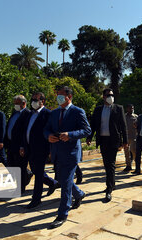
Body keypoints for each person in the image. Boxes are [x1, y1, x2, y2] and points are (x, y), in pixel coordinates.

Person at [44, 86, 91, 229]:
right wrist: (48, 136)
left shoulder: (78, 111)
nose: (58, 98)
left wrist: (70, 135)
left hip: (71, 153)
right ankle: (79, 194)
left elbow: (86, 130)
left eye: (61, 96)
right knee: (63, 180)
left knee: (65, 183)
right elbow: (47, 128)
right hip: (57, 152)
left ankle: (62, 214)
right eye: (57, 95)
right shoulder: (54, 113)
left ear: (69, 97)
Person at [86, 88, 128, 202]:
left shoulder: (118, 108)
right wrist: (89, 137)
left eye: (112, 95)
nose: (111, 97)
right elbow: (93, 125)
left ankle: (109, 189)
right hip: (103, 140)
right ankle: (112, 184)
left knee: (111, 164)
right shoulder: (98, 109)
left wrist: (125, 141)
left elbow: (123, 126)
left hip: (114, 140)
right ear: (103, 97)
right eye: (108, 95)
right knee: (106, 164)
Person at [20, 92, 59, 209]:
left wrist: (51, 150)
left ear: (43, 101)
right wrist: (22, 146)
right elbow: (26, 130)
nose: (33, 101)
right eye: (32, 99)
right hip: (29, 148)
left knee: (38, 174)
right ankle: (53, 183)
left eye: (36, 99)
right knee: (36, 171)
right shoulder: (30, 114)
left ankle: (36, 199)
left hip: (41, 149)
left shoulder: (48, 114)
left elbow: (51, 132)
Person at [5, 95, 33, 193]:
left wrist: (23, 146)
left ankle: (20, 188)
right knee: (11, 164)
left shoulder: (28, 114)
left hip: (21, 146)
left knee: (20, 167)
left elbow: (26, 131)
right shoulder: (14, 113)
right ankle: (28, 173)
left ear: (23, 103)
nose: (15, 105)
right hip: (11, 144)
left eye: (17, 103)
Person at [123, 104, 138, 172]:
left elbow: (139, 126)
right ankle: (128, 165)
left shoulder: (136, 116)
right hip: (126, 137)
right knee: (126, 152)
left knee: (133, 150)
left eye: (132, 108)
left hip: (134, 136)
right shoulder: (124, 117)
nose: (131, 109)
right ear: (127, 109)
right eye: (130, 108)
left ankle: (137, 164)